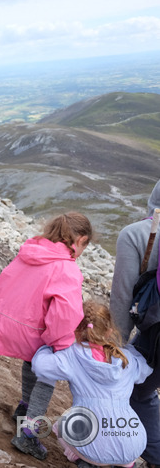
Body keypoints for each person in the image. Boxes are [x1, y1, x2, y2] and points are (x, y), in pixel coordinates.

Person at [0, 212, 94, 460]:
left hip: (11, 323)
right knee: (48, 374)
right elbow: (64, 315)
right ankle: (28, 434)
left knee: (31, 359)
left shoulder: (32, 250)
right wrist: (62, 345)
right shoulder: (66, 268)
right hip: (35, 332)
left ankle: (23, 407)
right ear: (80, 240)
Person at [33, 301, 151, 468]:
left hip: (93, 444)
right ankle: (126, 464)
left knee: (61, 426)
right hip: (131, 441)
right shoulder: (126, 359)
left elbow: (41, 366)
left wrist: (48, 347)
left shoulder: (72, 355)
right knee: (122, 444)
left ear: (75, 330)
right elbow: (145, 369)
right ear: (110, 331)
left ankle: (86, 462)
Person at [110, 179, 160, 468]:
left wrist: (114, 351)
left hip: (156, 337)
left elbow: (121, 302)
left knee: (135, 388)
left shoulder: (136, 234)